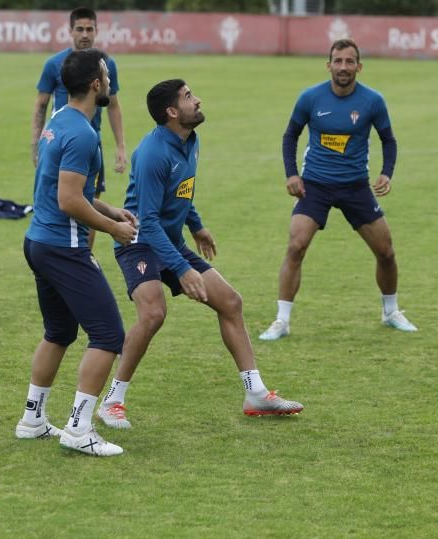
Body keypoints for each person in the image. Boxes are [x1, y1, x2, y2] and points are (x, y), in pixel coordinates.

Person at [96, 79, 303, 430]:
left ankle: (255, 394)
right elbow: (146, 222)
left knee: (231, 302)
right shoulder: (151, 154)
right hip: (139, 242)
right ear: (172, 112)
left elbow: (180, 192)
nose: (198, 100)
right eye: (189, 97)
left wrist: (196, 225)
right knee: (153, 313)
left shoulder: (190, 139)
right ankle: (112, 401)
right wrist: (181, 268)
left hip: (171, 240)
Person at [15, 48, 138, 457]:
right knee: (108, 334)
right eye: (105, 73)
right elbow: (69, 201)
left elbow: (71, 192)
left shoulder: (59, 122)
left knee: (60, 332)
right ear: (95, 84)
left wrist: (107, 208)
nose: (109, 79)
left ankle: (33, 419)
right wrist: (115, 229)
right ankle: (78, 427)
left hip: (39, 242)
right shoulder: (82, 133)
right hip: (62, 247)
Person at [259, 38, 417, 341]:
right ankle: (282, 320)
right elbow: (290, 135)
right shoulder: (310, 98)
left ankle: (391, 311)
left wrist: (387, 173)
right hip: (315, 184)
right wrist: (292, 174)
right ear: (328, 64)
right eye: (338, 61)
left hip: (355, 186)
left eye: (349, 61)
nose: (343, 67)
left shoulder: (373, 101)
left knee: (385, 251)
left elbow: (389, 140)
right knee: (296, 246)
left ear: (359, 66)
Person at [32, 7, 125, 248]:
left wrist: (121, 146)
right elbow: (41, 105)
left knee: (88, 198)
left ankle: (83, 253)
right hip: (64, 139)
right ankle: (70, 253)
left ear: (97, 31)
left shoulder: (107, 63)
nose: (85, 34)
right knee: (63, 196)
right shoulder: (54, 64)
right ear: (70, 31)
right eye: (80, 29)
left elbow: (113, 105)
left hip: (90, 141)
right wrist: (36, 144)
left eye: (89, 29)